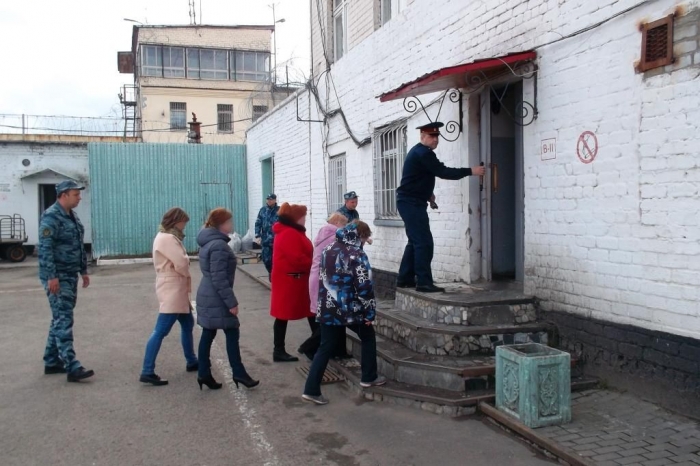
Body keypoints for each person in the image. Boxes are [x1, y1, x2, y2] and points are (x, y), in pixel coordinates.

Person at [396, 121, 486, 293]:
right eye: (432, 136)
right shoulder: (423, 153)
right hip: (411, 203)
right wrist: (471, 171)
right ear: (422, 136)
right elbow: (443, 172)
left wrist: (426, 193)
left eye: (437, 136)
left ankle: (405, 279)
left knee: (415, 242)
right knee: (424, 243)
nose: (435, 140)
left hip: (410, 201)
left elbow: (418, 176)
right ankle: (423, 282)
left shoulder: (418, 151)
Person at [302, 221, 385, 405]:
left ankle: (311, 389)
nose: (364, 243)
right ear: (360, 236)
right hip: (350, 309)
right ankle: (369, 376)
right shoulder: (356, 254)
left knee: (325, 347)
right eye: (364, 238)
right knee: (368, 336)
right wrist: (369, 313)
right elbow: (364, 287)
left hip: (328, 307)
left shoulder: (329, 248)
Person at [196, 208, 259, 390]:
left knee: (208, 332)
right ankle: (238, 373)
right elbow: (219, 278)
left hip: (208, 293)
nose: (232, 225)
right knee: (232, 331)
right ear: (222, 225)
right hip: (216, 296)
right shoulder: (218, 246)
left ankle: (204, 373)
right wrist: (231, 302)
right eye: (229, 222)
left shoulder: (209, 241)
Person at [39, 180, 94, 382]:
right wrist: (52, 276)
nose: (79, 198)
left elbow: (78, 245)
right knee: (64, 319)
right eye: (75, 194)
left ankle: (52, 361)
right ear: (63, 195)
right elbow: (45, 249)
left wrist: (83, 270)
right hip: (58, 277)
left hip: (70, 274)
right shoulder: (51, 217)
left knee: (60, 318)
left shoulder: (71, 216)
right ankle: (72, 366)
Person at [139, 207, 198, 386]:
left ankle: (191, 360)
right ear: (176, 221)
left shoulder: (165, 236)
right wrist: (187, 259)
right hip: (172, 288)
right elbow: (181, 262)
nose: (184, 226)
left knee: (187, 323)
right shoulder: (168, 238)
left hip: (173, 287)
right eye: (183, 222)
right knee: (161, 329)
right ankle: (147, 370)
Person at [269, 202, 318, 362]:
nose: (305, 219)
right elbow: (297, 258)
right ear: (296, 218)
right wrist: (315, 262)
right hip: (291, 280)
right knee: (286, 315)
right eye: (303, 217)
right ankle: (281, 350)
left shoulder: (290, 231)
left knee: (309, 312)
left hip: (294, 279)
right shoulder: (290, 233)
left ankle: (313, 345)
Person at [300, 212, 351, 361]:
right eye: (343, 224)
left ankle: (339, 351)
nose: (344, 228)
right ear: (337, 223)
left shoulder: (324, 234)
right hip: (325, 281)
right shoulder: (334, 235)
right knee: (328, 318)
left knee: (333, 317)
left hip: (319, 278)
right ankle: (308, 347)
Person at [255, 194, 279, 280]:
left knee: (276, 260)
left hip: (276, 240)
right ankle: (270, 272)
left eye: (271, 199)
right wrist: (257, 235)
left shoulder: (279, 211)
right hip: (265, 240)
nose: (269, 201)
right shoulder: (263, 210)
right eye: (268, 199)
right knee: (266, 260)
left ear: (275, 200)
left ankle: (274, 277)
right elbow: (258, 223)